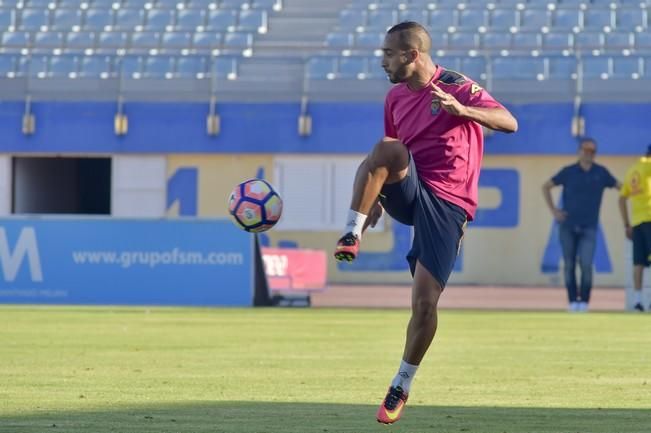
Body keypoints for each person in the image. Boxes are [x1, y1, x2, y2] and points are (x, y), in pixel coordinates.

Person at [333, 21, 518, 425]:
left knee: (424, 303)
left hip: (449, 204)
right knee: (385, 148)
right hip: (413, 190)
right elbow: (389, 156)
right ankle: (352, 229)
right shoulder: (394, 98)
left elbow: (508, 121)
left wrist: (463, 111)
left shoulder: (456, 86)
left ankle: (402, 381)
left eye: (388, 54)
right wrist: (376, 202)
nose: (382, 61)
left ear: (412, 54)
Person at [542, 138, 620, 312]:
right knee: (569, 264)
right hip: (568, 225)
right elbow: (546, 186)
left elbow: (621, 187)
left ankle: (584, 301)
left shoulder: (601, 173)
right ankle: (572, 302)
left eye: (592, 151)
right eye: (585, 150)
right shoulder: (569, 172)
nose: (588, 153)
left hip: (589, 226)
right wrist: (554, 210)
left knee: (586, 264)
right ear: (579, 151)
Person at [618, 144, 651, 312]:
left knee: (638, 262)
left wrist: (626, 224)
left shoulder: (633, 170)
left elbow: (622, 198)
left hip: (637, 222)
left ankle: (637, 301)